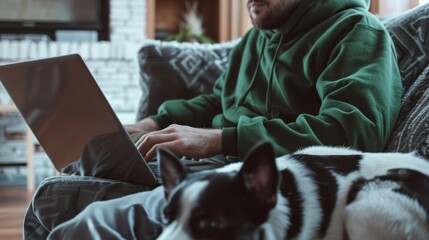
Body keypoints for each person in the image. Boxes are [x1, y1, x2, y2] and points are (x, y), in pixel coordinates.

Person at [44, 0, 402, 238]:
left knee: (70, 214)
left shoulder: (354, 31)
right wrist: (153, 123)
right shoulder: (254, 41)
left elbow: (354, 131)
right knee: (91, 157)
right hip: (215, 163)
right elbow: (219, 99)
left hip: (255, 182)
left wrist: (219, 139)